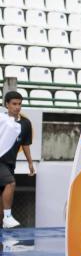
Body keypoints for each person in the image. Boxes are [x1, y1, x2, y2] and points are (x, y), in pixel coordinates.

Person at [0, 92, 34, 229]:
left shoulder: (25, 123)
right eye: (14, 104)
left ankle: (3, 224)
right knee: (10, 183)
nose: (17, 107)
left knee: (1, 206)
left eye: (19, 104)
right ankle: (8, 216)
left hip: (9, 165)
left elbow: (25, 144)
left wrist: (30, 163)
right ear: (6, 104)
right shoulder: (1, 119)